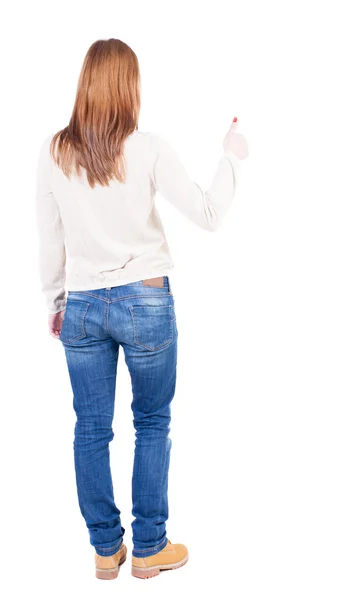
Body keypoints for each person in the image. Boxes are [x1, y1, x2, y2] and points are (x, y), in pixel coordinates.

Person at [35, 37, 249, 581]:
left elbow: (49, 238)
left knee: (90, 428)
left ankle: (107, 550)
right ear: (129, 87)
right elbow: (207, 212)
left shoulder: (54, 151)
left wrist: (55, 301)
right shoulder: (148, 147)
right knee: (152, 422)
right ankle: (150, 546)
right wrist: (232, 156)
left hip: (82, 306)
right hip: (146, 302)